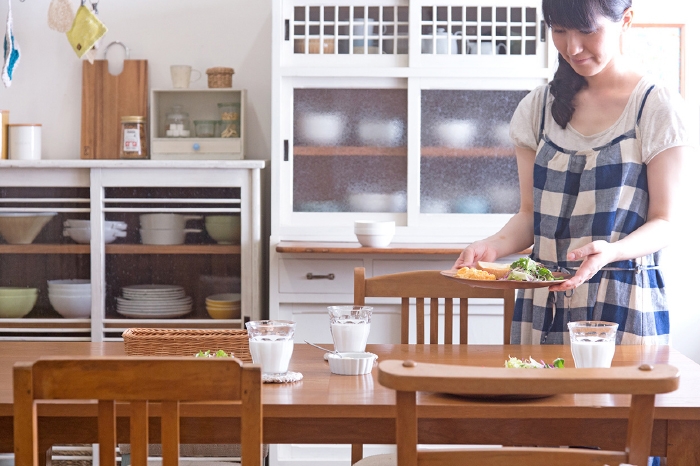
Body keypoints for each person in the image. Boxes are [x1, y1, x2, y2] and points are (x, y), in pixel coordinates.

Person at [454, 0, 695, 346]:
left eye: (587, 30)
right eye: (560, 31)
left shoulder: (656, 108)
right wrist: (491, 246)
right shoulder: (537, 109)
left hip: (622, 301)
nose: (572, 47)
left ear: (625, 21)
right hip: (544, 302)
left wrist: (613, 251)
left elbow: (666, 222)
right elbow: (529, 216)